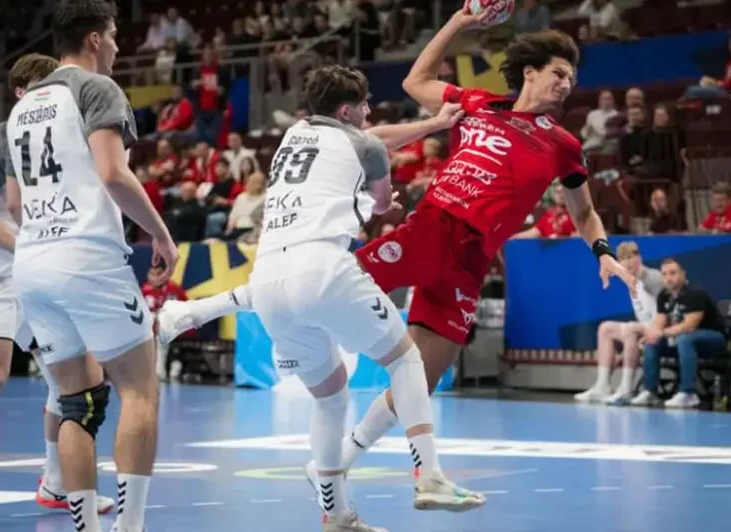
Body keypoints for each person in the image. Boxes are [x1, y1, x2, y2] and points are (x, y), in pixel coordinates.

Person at [159, 9, 635, 490]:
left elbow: (585, 212)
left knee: (419, 382)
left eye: (572, 78)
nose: (566, 84)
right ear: (530, 72)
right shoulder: (478, 103)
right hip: (432, 229)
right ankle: (193, 312)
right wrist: (459, 22)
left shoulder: (563, 144)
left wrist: (602, 251)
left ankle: (336, 463)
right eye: (559, 73)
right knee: (320, 278)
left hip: (471, 261)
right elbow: (415, 82)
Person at [246, 64, 486, 532]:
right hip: (321, 268)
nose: (369, 112)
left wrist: (434, 125)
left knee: (330, 399)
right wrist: (383, 205)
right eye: (363, 105)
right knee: (406, 360)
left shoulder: (295, 134)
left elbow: (371, 138)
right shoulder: (365, 146)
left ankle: (336, 515)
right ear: (346, 111)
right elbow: (378, 194)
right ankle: (429, 474)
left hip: (268, 278)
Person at [5, 2, 178, 531]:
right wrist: (160, 234)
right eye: (116, 36)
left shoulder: (23, 105)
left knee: (76, 402)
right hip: (86, 257)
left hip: (31, 262)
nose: (120, 47)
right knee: (139, 389)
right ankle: (131, 527)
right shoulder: (97, 88)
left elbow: (14, 203)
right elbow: (112, 172)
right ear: (96, 39)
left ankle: (86, 525)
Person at [0, 53, 113, 532]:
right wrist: (37, 247)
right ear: (19, 94)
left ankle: (56, 482)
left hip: (37, 273)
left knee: (72, 380)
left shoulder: (58, 139)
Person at [574, 241, 663, 405]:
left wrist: (654, 332)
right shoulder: (631, 281)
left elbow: (667, 309)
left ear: (639, 258)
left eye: (631, 261)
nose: (628, 267)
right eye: (624, 264)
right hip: (644, 328)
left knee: (630, 328)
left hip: (661, 329)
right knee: (605, 328)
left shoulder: (652, 278)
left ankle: (626, 389)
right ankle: (602, 386)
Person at [634, 258, 727, 409]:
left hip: (713, 340)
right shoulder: (664, 295)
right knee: (652, 342)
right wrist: (653, 334)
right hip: (685, 341)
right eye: (664, 274)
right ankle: (650, 391)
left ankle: (688, 393)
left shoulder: (695, 293)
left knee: (685, 339)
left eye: (673, 273)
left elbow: (689, 326)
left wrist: (661, 333)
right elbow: (660, 320)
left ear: (683, 274)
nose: (668, 278)